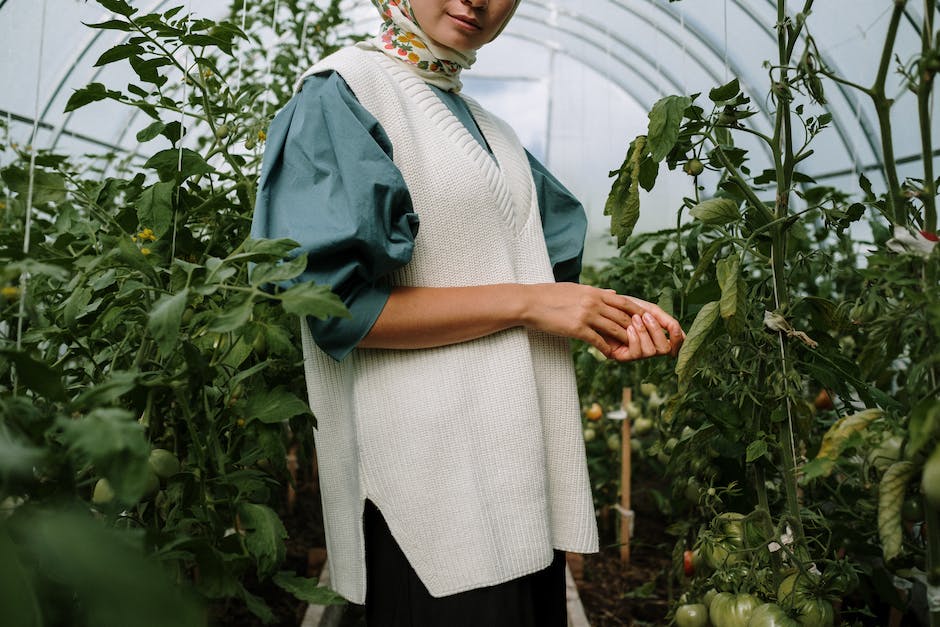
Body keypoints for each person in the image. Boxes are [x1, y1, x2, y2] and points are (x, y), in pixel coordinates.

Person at [251, 0, 685, 623]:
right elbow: (338, 310)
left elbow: (524, 275)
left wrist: (603, 313)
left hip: (517, 479)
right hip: (431, 491)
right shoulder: (347, 92)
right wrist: (531, 304)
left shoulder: (487, 127)